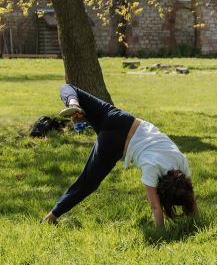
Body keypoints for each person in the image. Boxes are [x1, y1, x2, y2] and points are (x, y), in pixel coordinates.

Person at [42, 84, 196, 228]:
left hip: (121, 119)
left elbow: (190, 194)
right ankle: (50, 217)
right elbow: (156, 207)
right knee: (87, 183)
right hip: (114, 144)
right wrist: (161, 232)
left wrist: (194, 213)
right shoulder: (152, 168)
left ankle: (73, 103)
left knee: (68, 87)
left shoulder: (181, 160)